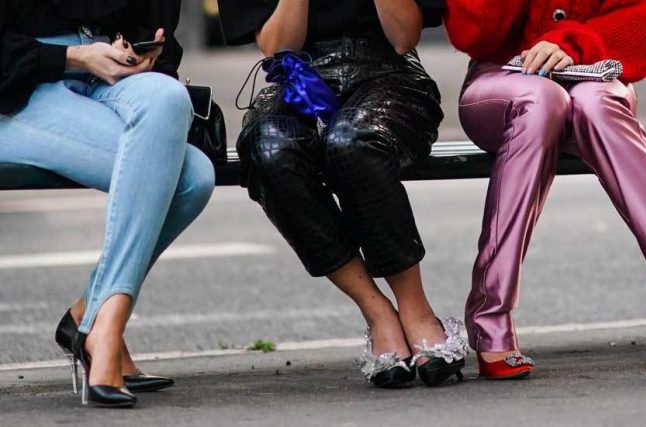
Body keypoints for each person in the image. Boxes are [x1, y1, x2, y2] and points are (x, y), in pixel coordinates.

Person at [444, 0, 646, 382]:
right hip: (502, 80)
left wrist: (572, 43)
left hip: (597, 71)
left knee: (595, 106)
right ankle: (490, 318)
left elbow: (643, 28)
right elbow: (472, 33)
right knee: (541, 100)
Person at [216, 0, 469, 388]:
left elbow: (404, 37)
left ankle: (416, 310)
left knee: (352, 141)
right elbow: (278, 47)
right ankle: (377, 311)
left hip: (389, 74)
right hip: (299, 80)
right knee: (270, 151)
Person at [0, 0, 215, 406]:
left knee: (169, 98)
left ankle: (93, 316)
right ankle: (105, 330)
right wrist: (73, 56)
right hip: (19, 88)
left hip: (106, 71)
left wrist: (143, 51)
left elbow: (158, 22)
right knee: (191, 179)